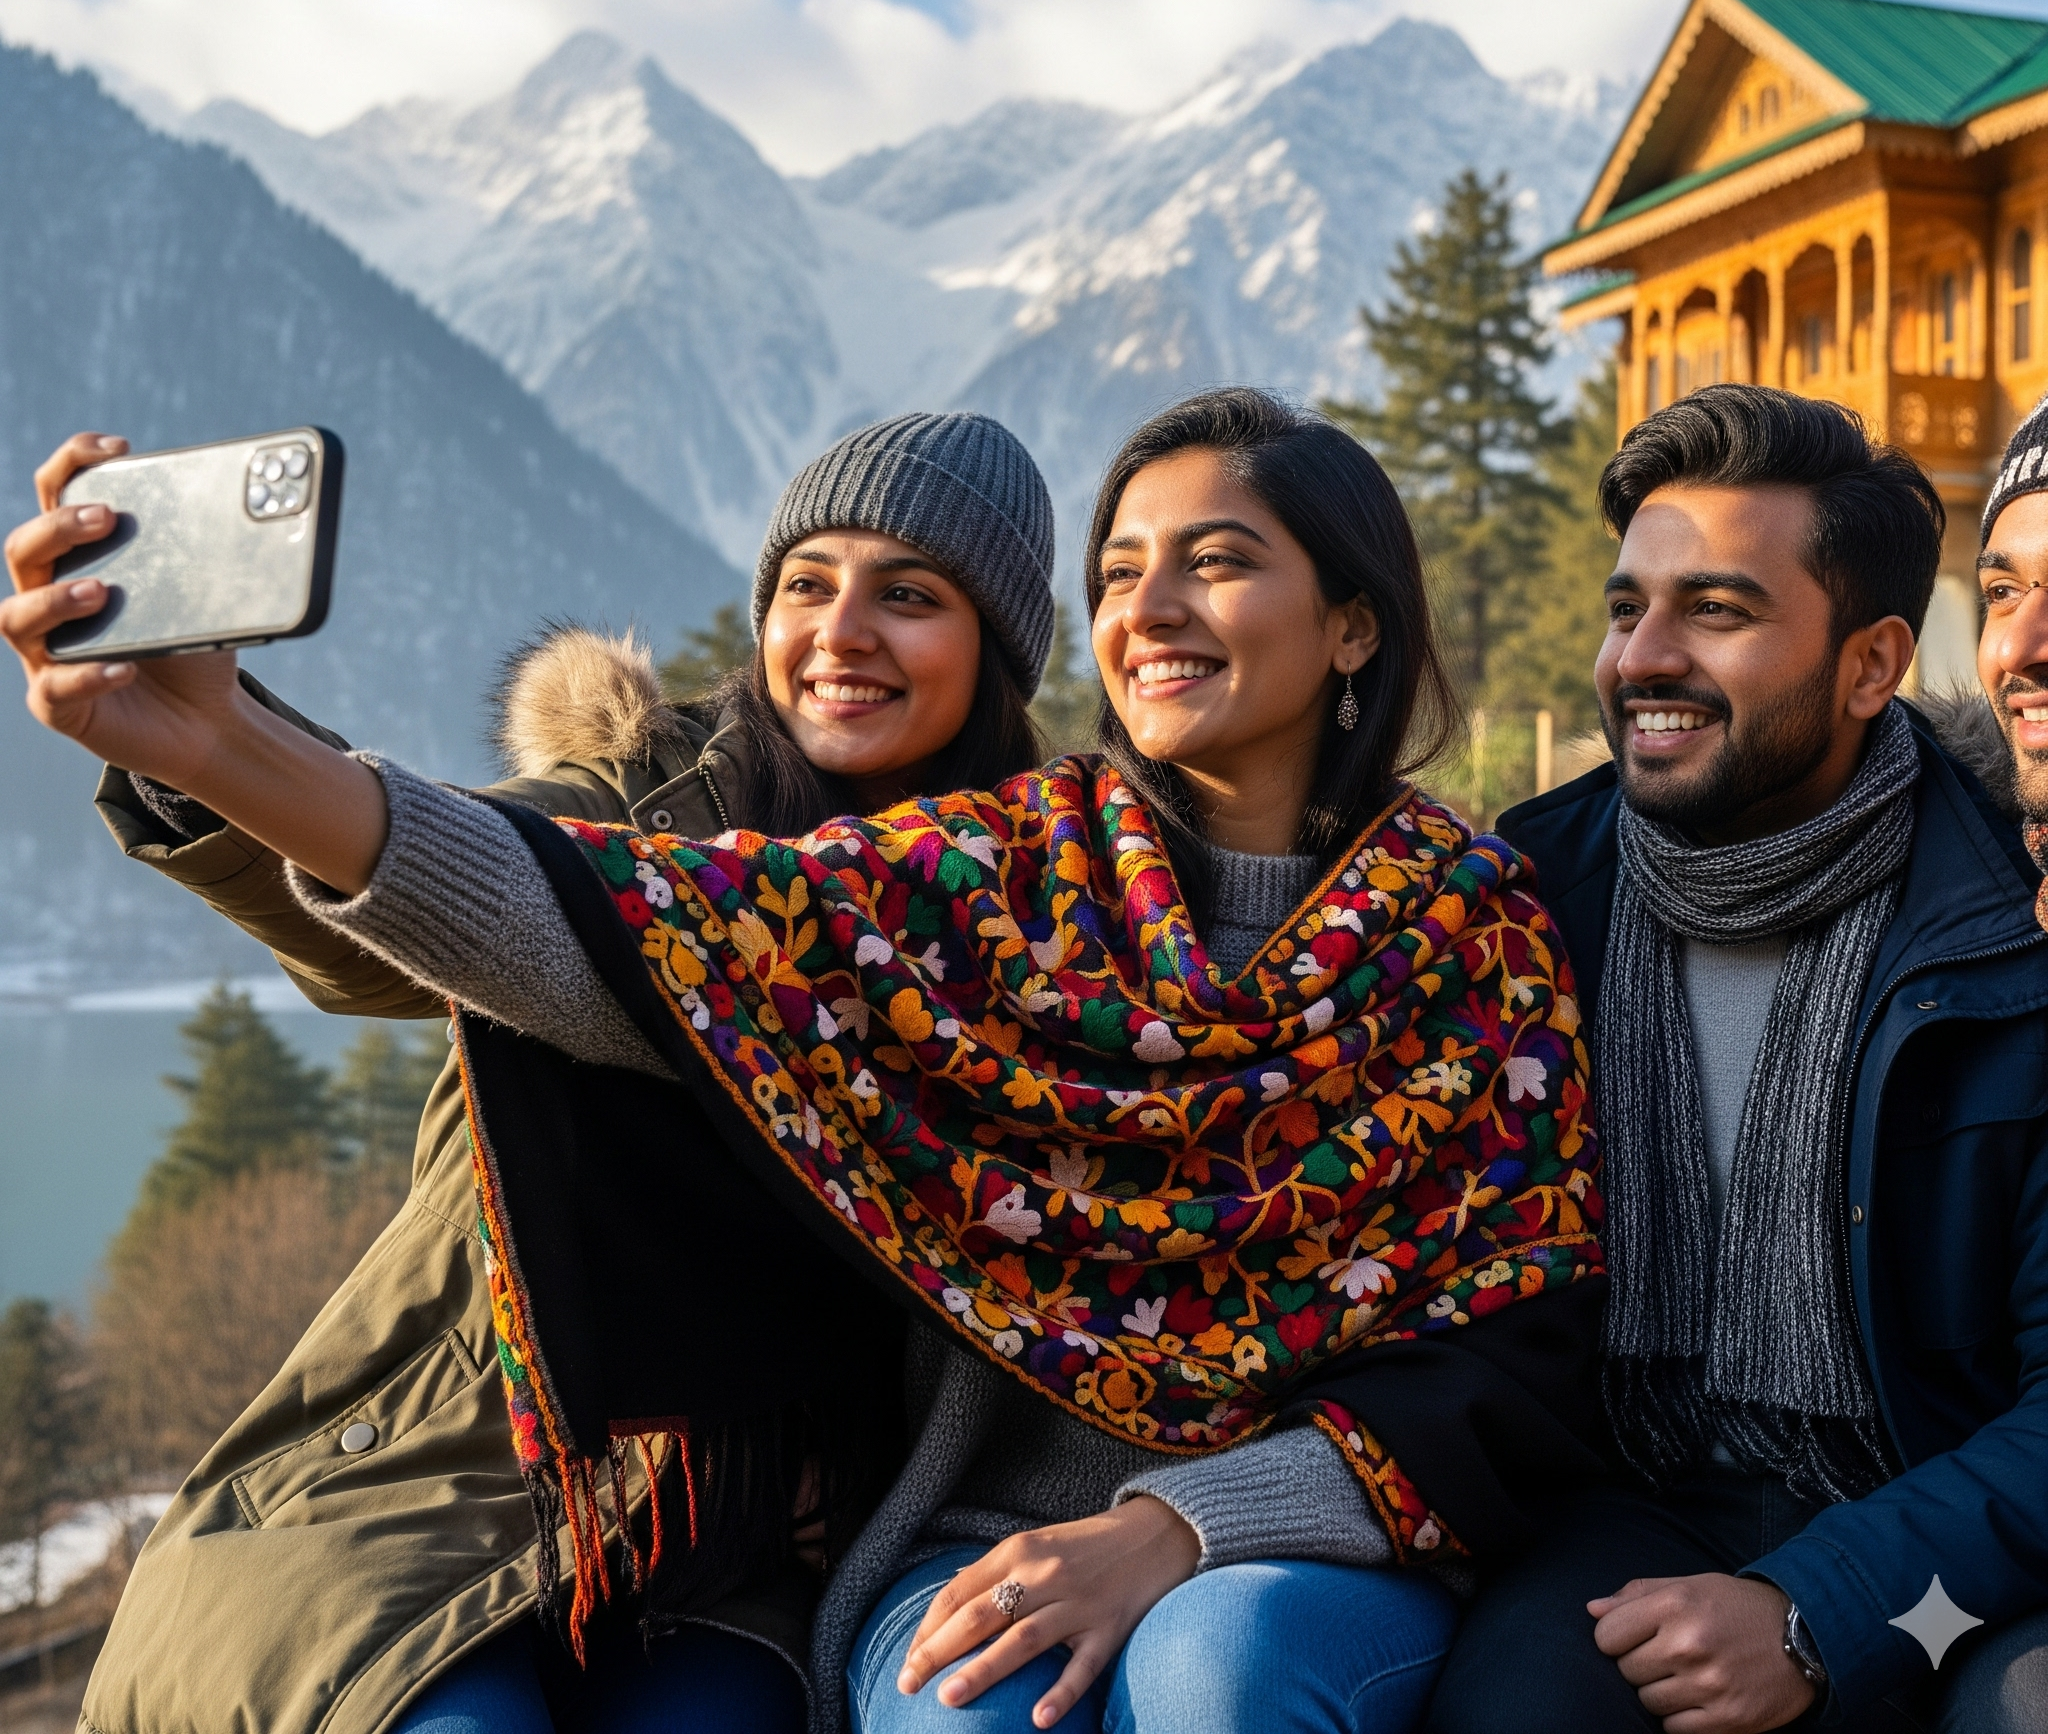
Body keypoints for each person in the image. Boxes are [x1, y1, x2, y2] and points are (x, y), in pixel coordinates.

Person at [6, 388, 1613, 1734]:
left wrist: (1180, 1523)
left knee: (1223, 1667)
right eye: (1128, 568)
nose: (1157, 606)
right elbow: (565, 912)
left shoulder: (1468, 934)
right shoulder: (977, 883)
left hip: (1085, 1543)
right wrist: (218, 748)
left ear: (1351, 625)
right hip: (522, 1491)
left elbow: (1507, 1350)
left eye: (1216, 562)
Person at [9, 412, 1059, 1734]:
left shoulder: (1031, 913)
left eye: (907, 596)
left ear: (1001, 648)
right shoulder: (632, 813)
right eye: (807, 584)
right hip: (439, 1492)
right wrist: (208, 749)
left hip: (738, 1562)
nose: (841, 629)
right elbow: (435, 895)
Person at [1425, 384, 2048, 1734]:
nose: (1643, 657)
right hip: (1627, 1505)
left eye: (1716, 610)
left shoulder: (2008, 935)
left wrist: (1823, 1609)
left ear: (1874, 665)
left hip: (1938, 1536)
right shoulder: (1527, 904)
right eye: (1626, 607)